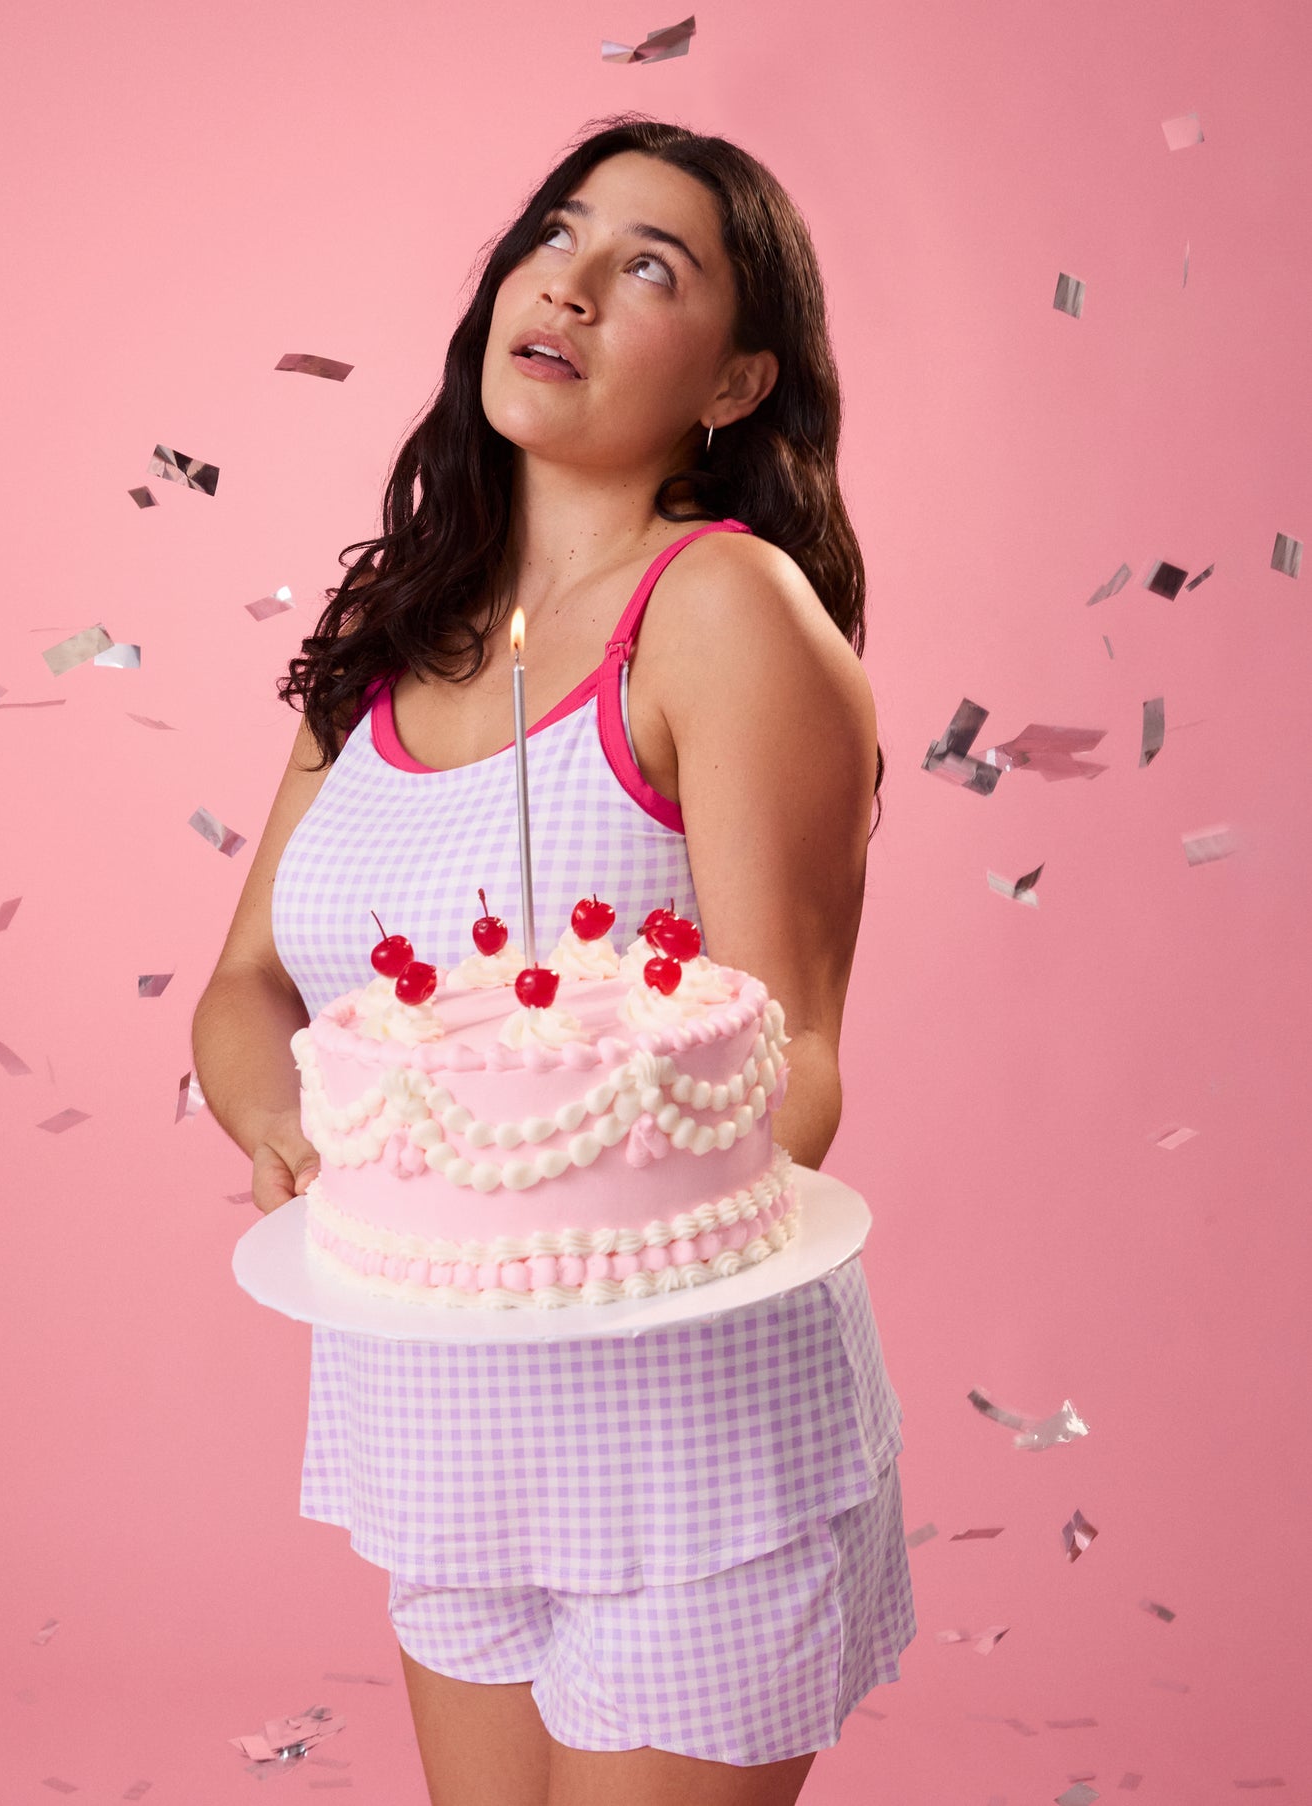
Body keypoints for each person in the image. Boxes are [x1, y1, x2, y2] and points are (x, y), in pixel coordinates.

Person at [192, 114, 915, 1806]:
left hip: (692, 1436)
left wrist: (546, 1215)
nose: (570, 286)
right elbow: (243, 990)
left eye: (647, 268)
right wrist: (288, 1142)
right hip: (436, 1409)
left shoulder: (724, 611)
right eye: (557, 238)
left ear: (735, 382)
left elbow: (792, 1056)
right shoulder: (390, 635)